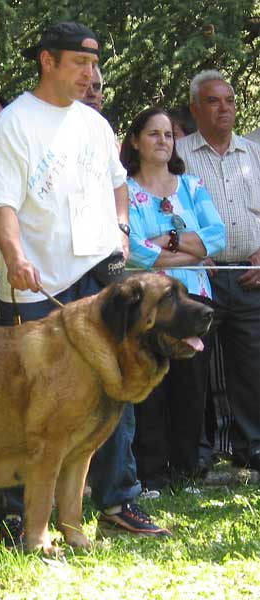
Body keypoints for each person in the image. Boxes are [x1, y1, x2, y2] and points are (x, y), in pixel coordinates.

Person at [0, 21, 170, 543]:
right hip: (41, 282)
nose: (92, 73)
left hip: (101, 275)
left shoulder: (93, 122)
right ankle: (17, 512)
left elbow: (117, 185)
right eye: (81, 63)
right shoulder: (13, 123)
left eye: (94, 63)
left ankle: (117, 500)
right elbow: (1, 203)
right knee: (29, 403)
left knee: (117, 389)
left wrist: (123, 231)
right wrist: (15, 256)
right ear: (48, 61)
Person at [120, 107, 225, 493]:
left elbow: (216, 237)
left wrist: (168, 244)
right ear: (135, 141)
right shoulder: (125, 191)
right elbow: (131, 250)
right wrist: (189, 250)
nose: (163, 141)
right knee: (149, 387)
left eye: (168, 134)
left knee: (190, 387)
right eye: (153, 134)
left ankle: (187, 470)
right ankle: (150, 473)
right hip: (147, 304)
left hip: (194, 299)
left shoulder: (192, 187)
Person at [176, 70, 260, 471]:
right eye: (213, 101)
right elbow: (164, 210)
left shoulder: (253, 152)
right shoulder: (180, 154)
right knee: (195, 371)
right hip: (199, 276)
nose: (224, 107)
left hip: (249, 273)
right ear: (195, 109)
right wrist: (193, 253)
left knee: (252, 366)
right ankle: (197, 454)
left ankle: (251, 448)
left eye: (228, 100)